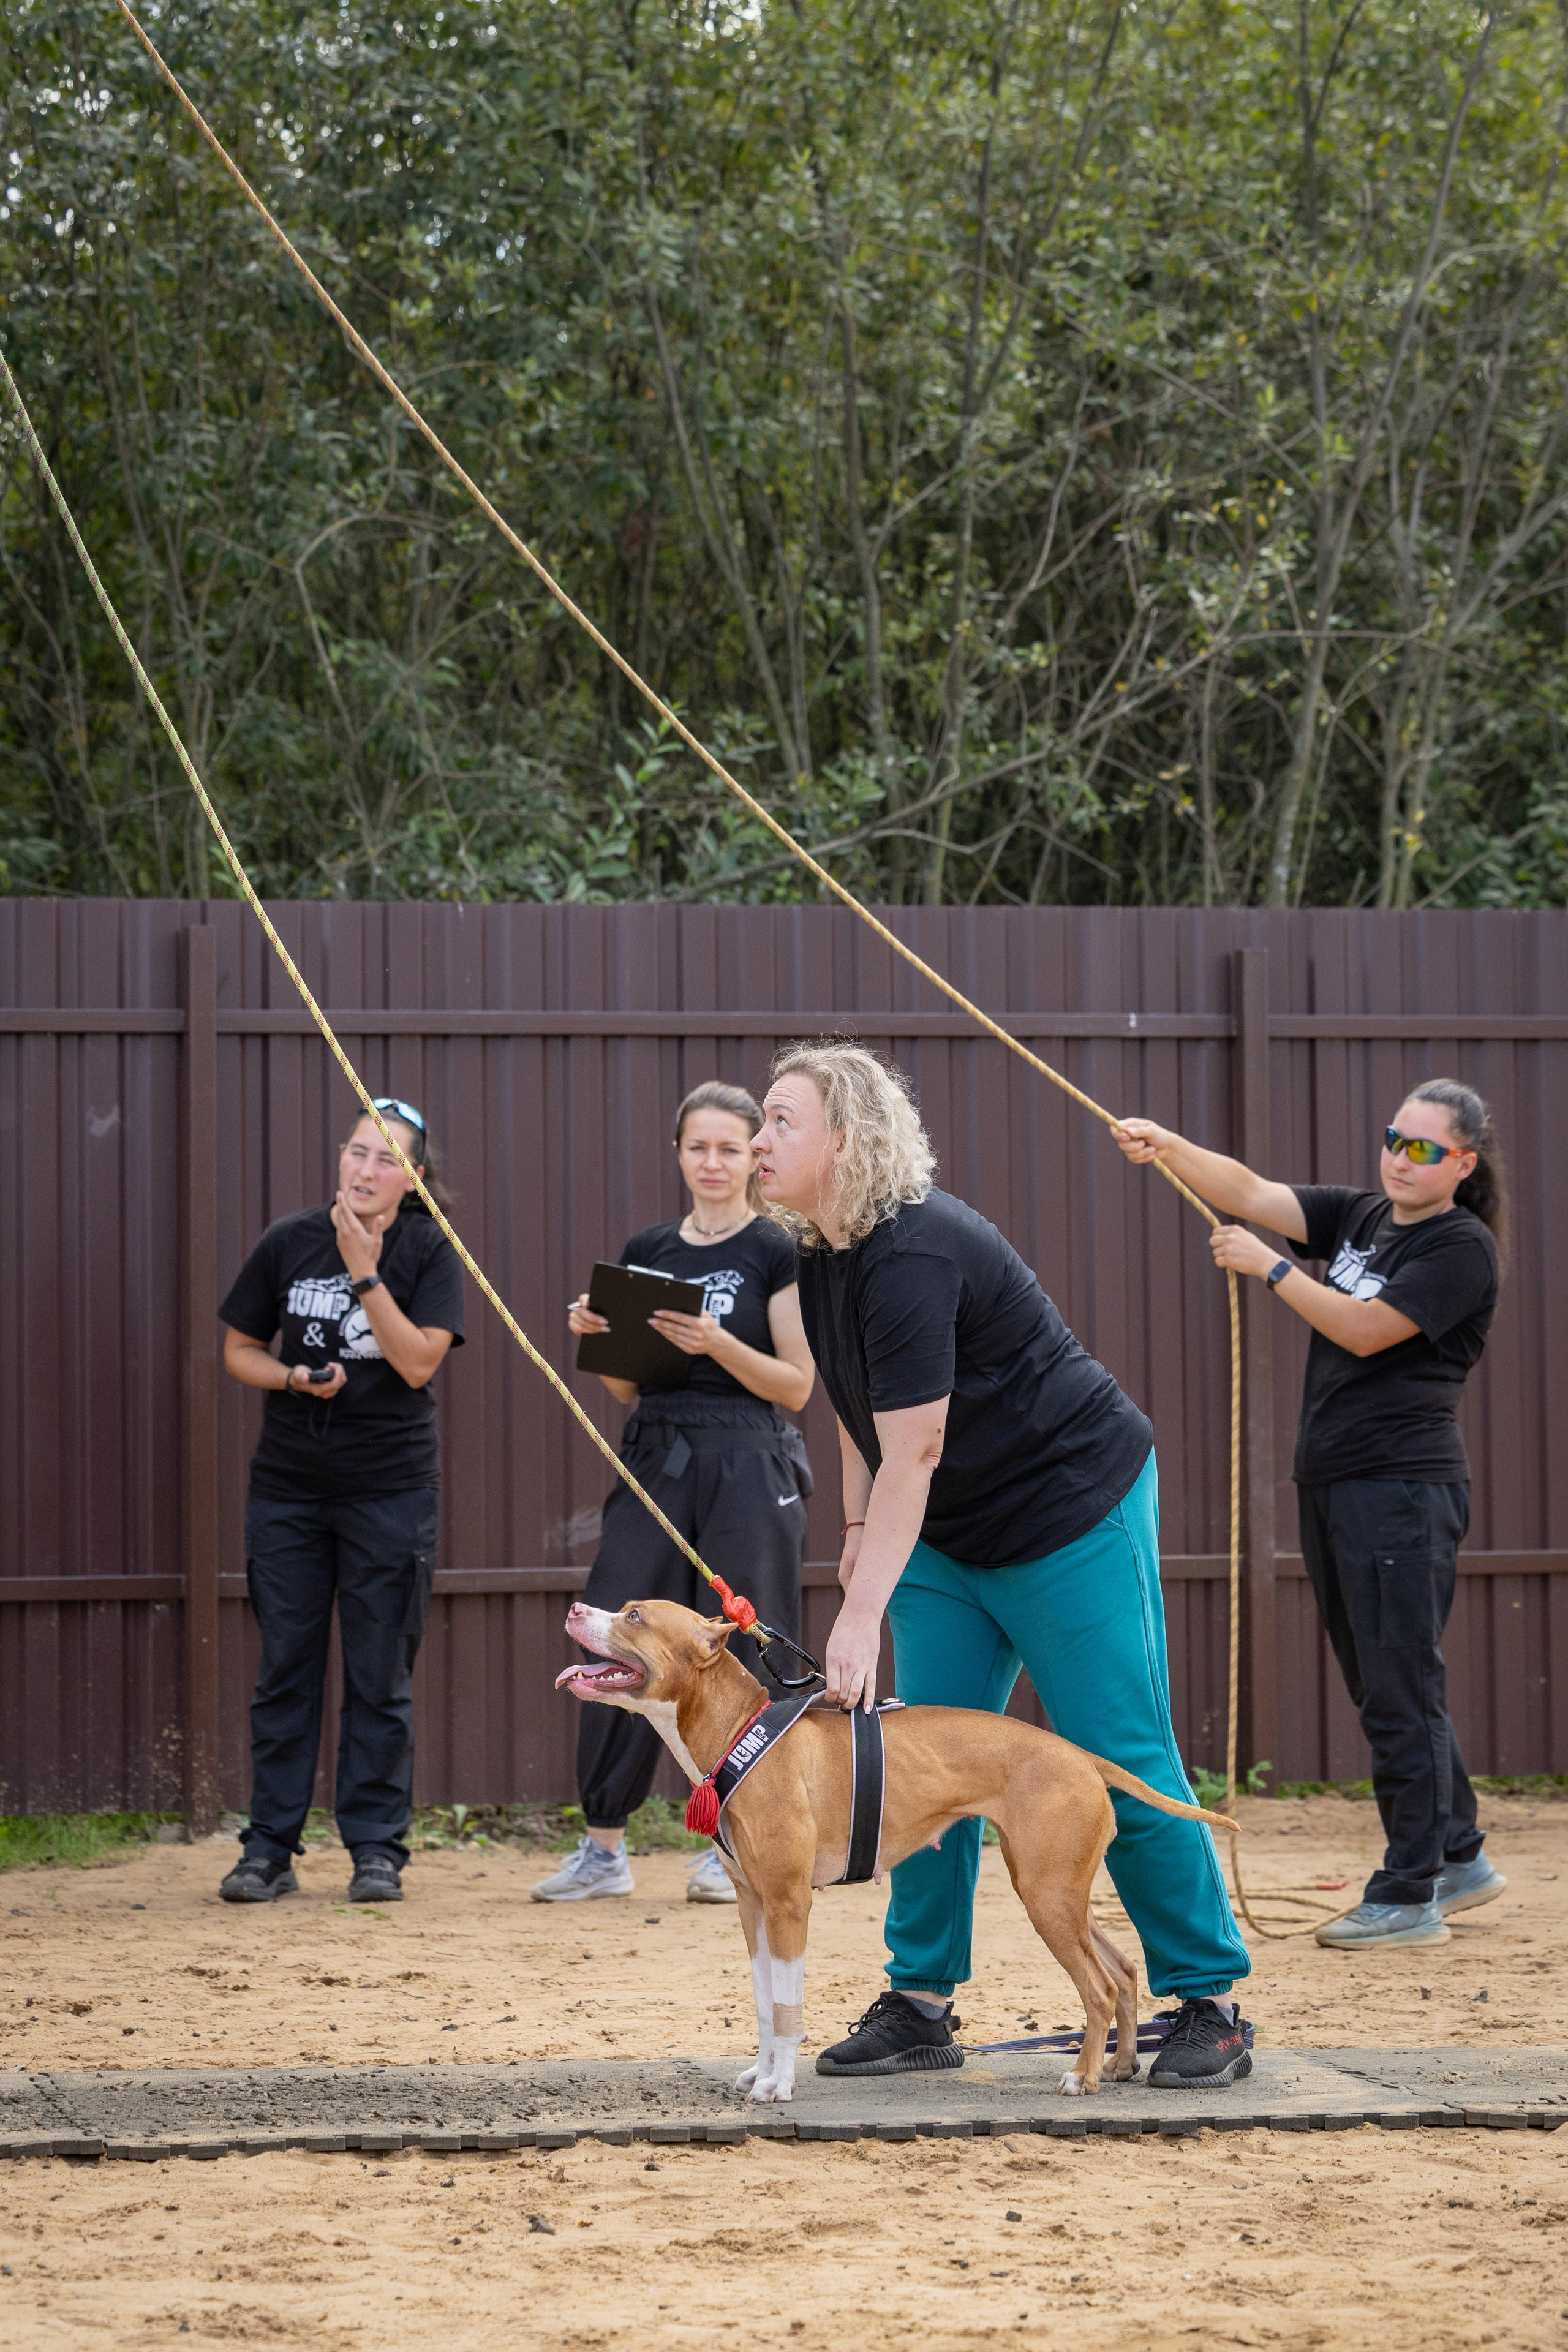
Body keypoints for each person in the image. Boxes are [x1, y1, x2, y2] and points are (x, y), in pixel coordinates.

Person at [752, 1041, 1253, 2087]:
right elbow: (863, 1423)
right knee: (920, 1762)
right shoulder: (819, 1254)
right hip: (941, 1528)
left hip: (1069, 1510)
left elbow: (918, 1446)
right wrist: (853, 1543)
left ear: (845, 1139)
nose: (759, 1140)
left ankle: (1207, 2000)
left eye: (781, 1121)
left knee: (1117, 1743)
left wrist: (856, 1619)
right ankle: (921, 2004)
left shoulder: (918, 1251)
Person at [1115, 1077, 1507, 1951]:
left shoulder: (1462, 1247)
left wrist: (1275, 1269)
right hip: (1339, 1481)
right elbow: (1254, 1193)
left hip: (1402, 1487)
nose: (1401, 1160)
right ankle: (1460, 1854)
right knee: (1382, 1680)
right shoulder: (1365, 1217)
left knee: (1402, 1683)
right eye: (1394, 1139)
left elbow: (1368, 1329)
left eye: (1424, 1150)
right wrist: (1167, 1145)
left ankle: (1410, 1890)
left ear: (1464, 1165)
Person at [533, 1080, 816, 1907]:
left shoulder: (776, 1247)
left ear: (753, 1154)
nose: (716, 1162)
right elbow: (626, 1388)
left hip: (749, 1460)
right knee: (618, 1633)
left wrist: (717, 1340)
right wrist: (597, 1336)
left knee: (747, 1645)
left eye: (732, 1147)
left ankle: (734, 1836)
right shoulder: (649, 1245)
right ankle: (603, 1847)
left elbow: (797, 1385)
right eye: (700, 1147)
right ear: (679, 1154)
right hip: (656, 1455)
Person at [216, 1098, 466, 1907]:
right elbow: (239, 1349)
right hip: (289, 1489)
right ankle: (269, 1849)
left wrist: (365, 1273)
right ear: (341, 1155)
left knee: (378, 1674)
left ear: (414, 1179)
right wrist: (291, 1377)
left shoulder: (428, 1249)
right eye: (358, 1152)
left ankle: (375, 1850)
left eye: (386, 1160)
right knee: (285, 1667)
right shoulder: (288, 1241)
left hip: (390, 1489)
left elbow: (419, 1362)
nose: (365, 1171)